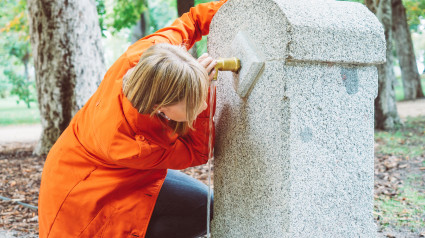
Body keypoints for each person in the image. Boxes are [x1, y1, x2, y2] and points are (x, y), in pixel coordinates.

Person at [37, 1, 228, 237]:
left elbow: (194, 20)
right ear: (160, 107)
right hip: (84, 195)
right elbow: (197, 151)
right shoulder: (137, 145)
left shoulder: (151, 56)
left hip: (102, 162)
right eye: (193, 104)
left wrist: (238, 5)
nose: (203, 105)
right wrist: (205, 89)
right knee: (197, 211)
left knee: (205, 205)